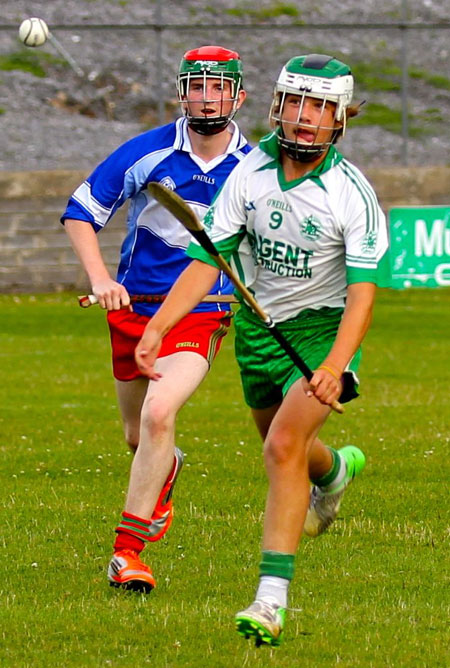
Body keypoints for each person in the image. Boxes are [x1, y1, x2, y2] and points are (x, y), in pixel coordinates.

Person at [133, 53, 389, 646]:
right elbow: (208, 259)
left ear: (340, 119)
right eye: (297, 103)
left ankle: (270, 601)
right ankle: (336, 471)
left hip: (323, 329)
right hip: (257, 329)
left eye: (321, 108)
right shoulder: (247, 175)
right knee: (293, 447)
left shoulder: (352, 196)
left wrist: (333, 365)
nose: (305, 119)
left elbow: (362, 296)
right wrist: (160, 327)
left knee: (280, 449)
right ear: (278, 105)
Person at [61, 45, 250, 592]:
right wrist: (102, 280)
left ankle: (128, 552)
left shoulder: (254, 166)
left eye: (218, 87)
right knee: (135, 434)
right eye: (197, 85)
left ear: (239, 96)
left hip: (200, 311)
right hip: (132, 309)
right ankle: (163, 467)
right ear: (181, 90)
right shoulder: (147, 152)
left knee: (160, 413)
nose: (206, 96)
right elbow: (82, 212)